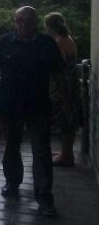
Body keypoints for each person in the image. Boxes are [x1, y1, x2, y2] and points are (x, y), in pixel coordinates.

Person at [0, 6, 71, 217]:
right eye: (18, 21)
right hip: (10, 106)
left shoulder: (47, 45)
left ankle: (45, 198)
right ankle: (12, 183)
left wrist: (67, 103)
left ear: (35, 23)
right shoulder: (4, 43)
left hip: (39, 107)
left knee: (42, 152)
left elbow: (59, 76)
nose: (22, 25)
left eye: (26, 21)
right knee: (11, 146)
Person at [44, 12, 81, 167]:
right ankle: (67, 153)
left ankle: (65, 156)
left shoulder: (58, 42)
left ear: (49, 27)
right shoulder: (69, 39)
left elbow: (58, 68)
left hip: (63, 88)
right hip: (72, 85)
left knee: (65, 122)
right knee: (69, 121)